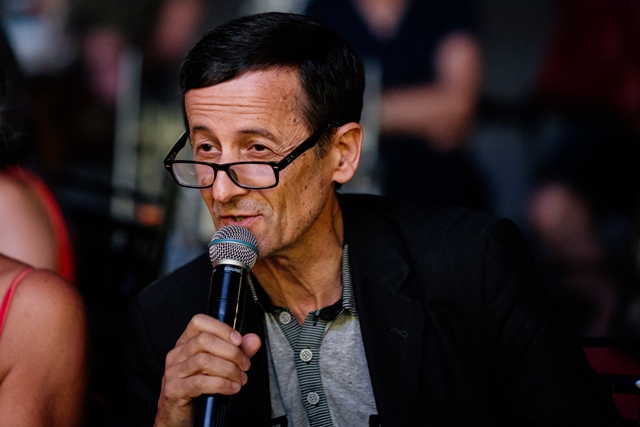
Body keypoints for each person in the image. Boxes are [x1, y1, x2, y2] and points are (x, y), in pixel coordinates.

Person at [126, 12, 621, 426]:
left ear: (342, 154)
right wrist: (171, 418)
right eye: (206, 149)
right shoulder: (167, 320)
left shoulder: (473, 269)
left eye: (257, 150)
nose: (220, 190)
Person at [305, 0, 489, 211]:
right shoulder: (323, 9)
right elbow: (312, 107)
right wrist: (423, 111)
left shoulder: (446, 8)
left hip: (438, 188)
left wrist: (361, 113)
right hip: (351, 187)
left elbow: (458, 111)